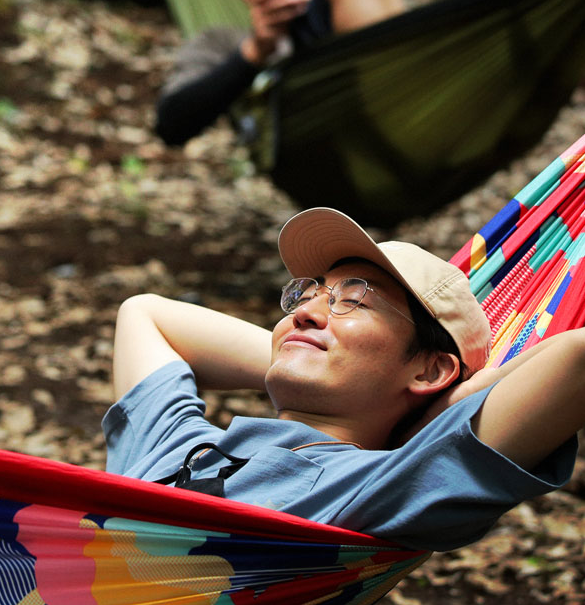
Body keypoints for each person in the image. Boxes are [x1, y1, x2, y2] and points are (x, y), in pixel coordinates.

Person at [103, 207, 581, 552]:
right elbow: (144, 313)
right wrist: (297, 357)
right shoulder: (172, 443)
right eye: (308, 295)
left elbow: (576, 356)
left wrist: (446, 406)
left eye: (354, 301)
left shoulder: (375, 488)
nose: (307, 312)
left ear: (430, 369)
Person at [155, 0, 406, 146]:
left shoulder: (366, 2)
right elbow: (171, 126)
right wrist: (255, 51)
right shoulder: (223, 41)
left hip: (397, 117)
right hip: (305, 152)